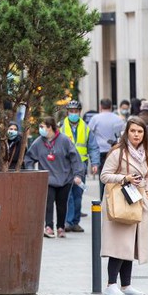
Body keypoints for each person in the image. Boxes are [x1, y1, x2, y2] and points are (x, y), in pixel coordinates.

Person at [99, 116, 148, 295]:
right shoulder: (118, 152)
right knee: (119, 245)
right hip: (121, 203)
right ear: (127, 133)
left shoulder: (146, 154)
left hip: (137, 202)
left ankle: (126, 285)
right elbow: (104, 176)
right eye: (133, 131)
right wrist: (124, 178)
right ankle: (111, 284)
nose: (136, 135)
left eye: (140, 131)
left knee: (130, 245)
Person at [24, 117, 84, 239]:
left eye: (42, 127)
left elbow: (75, 158)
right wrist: (31, 172)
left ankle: (61, 227)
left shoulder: (64, 140)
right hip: (47, 178)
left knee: (62, 204)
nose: (40, 129)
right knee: (48, 203)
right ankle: (49, 227)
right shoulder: (38, 142)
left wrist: (78, 174)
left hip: (65, 178)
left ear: (50, 127)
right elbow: (29, 158)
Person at [60, 100, 99, 233]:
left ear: (79, 112)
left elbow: (93, 147)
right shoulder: (61, 127)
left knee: (78, 194)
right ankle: (68, 222)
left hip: (80, 166)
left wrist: (95, 163)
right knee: (68, 194)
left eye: (76, 111)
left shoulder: (86, 128)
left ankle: (75, 222)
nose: (73, 114)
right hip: (66, 165)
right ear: (67, 112)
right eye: (71, 111)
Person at [87, 98, 125, 198]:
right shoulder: (118, 118)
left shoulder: (95, 118)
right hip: (113, 150)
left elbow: (89, 132)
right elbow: (122, 133)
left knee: (102, 175)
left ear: (100, 106)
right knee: (113, 175)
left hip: (100, 150)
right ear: (111, 106)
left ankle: (102, 197)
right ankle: (111, 196)